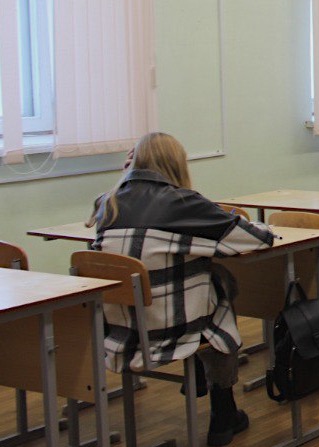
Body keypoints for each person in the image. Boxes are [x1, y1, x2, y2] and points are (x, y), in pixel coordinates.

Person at [87, 133, 275, 447]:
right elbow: (257, 238)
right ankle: (223, 410)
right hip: (168, 331)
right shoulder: (183, 203)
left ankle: (205, 382)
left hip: (119, 329)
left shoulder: (107, 203)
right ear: (177, 163)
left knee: (208, 277)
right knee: (221, 290)